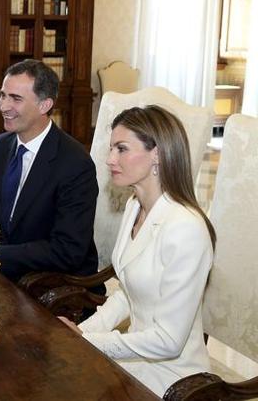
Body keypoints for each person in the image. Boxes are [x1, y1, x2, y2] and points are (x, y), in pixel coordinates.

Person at [58, 105, 215, 397]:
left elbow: (169, 341)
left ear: (156, 153)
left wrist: (93, 342)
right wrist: (83, 332)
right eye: (111, 149)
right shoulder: (134, 206)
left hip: (173, 378)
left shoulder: (186, 228)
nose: (109, 159)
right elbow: (128, 294)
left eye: (121, 149)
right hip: (134, 359)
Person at [0, 59, 99, 284]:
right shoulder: (0, 146)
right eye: (3, 95)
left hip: (58, 280)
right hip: (15, 267)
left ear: (45, 105)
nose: (3, 106)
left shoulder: (75, 164)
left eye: (16, 99)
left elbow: (67, 250)